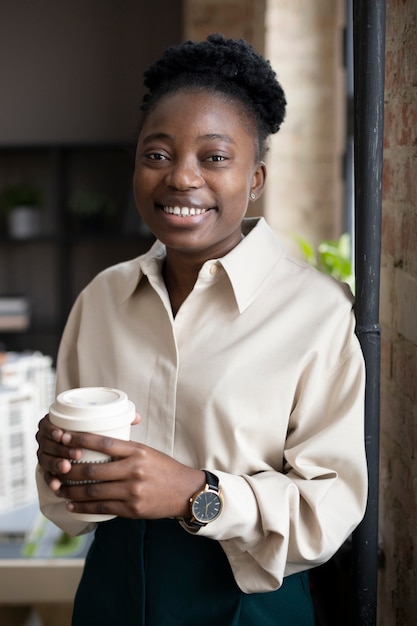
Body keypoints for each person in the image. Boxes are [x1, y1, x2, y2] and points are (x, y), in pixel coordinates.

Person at [36, 34, 368, 626]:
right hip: (111, 595)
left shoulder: (316, 311)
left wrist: (197, 493)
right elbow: (70, 501)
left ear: (256, 178)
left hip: (247, 603)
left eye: (214, 157)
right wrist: (60, 464)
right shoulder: (102, 299)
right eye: (157, 155)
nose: (180, 179)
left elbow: (331, 507)